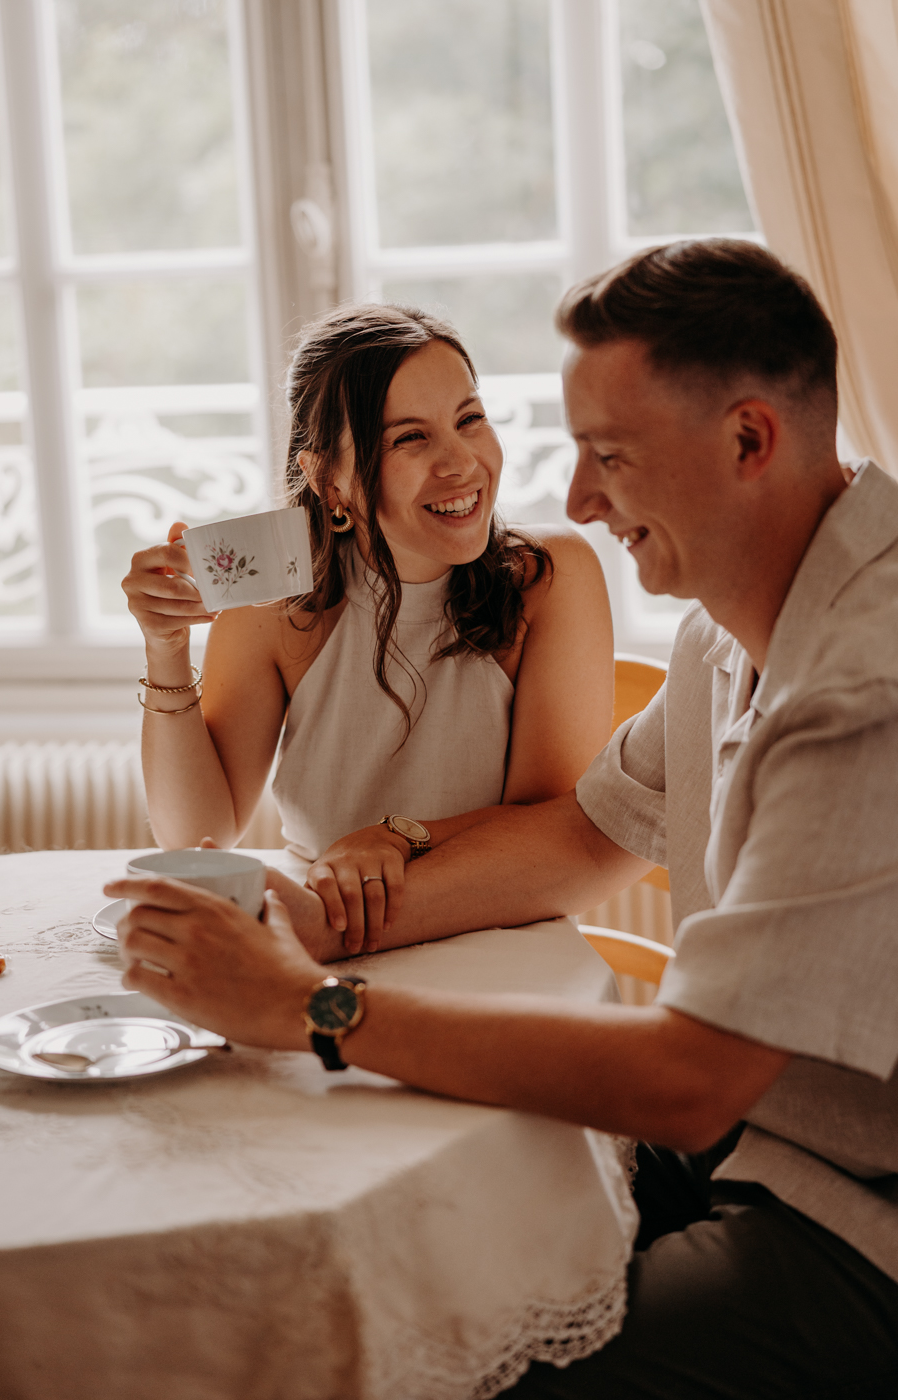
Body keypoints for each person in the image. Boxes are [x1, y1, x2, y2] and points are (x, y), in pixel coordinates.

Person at [108, 240, 898, 1397]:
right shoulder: (729, 629)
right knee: (405, 1285)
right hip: (758, 1141)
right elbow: (585, 836)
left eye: (610, 456)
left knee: (472, 1370)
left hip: (854, 1209)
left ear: (747, 441)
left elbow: (689, 1079)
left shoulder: (860, 687)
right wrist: (329, 915)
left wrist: (307, 1005)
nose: (572, 497)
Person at [122, 303, 613, 950]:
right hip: (323, 932)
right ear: (328, 479)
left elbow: (545, 829)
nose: (462, 461)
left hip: (495, 928)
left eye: (469, 419)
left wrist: (396, 835)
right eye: (410, 438)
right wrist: (164, 647)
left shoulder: (550, 577)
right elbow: (196, 837)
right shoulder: (270, 600)